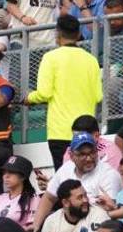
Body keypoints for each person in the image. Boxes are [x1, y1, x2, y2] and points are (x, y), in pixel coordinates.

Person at [26, 14, 103, 167]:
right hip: (87, 133)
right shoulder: (91, 60)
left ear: (57, 34)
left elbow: (44, 93)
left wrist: (29, 98)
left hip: (60, 132)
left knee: (65, 179)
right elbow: (98, 96)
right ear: (78, 34)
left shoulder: (50, 58)